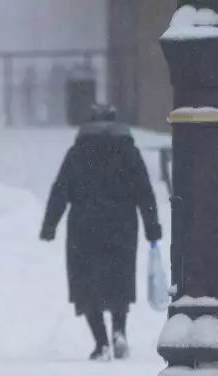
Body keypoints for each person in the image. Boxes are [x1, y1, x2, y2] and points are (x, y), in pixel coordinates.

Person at [39, 104, 162, 361]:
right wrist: (152, 226)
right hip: (122, 225)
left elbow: (60, 189)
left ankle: (101, 343)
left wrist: (50, 224)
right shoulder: (129, 152)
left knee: (87, 285)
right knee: (119, 281)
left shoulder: (77, 152)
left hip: (84, 227)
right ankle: (119, 331)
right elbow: (144, 191)